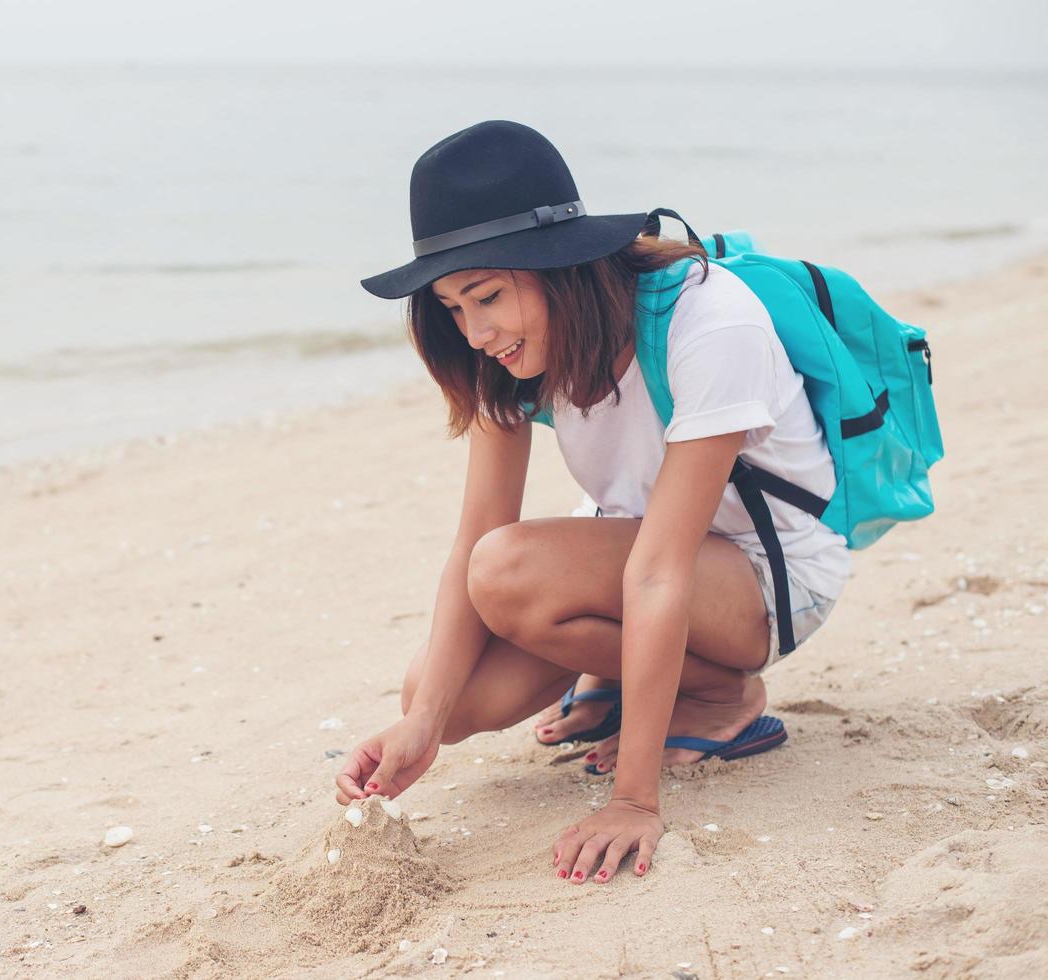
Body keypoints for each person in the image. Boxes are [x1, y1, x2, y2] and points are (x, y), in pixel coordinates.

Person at [334, 120, 848, 885]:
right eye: (450, 307)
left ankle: (717, 696)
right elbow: (472, 535)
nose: (474, 333)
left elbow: (654, 572)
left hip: (764, 581)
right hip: (638, 557)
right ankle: (621, 683)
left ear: (557, 266)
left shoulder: (708, 321)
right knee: (440, 693)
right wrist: (420, 727)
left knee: (509, 572)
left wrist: (634, 802)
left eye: (486, 296)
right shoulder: (511, 356)